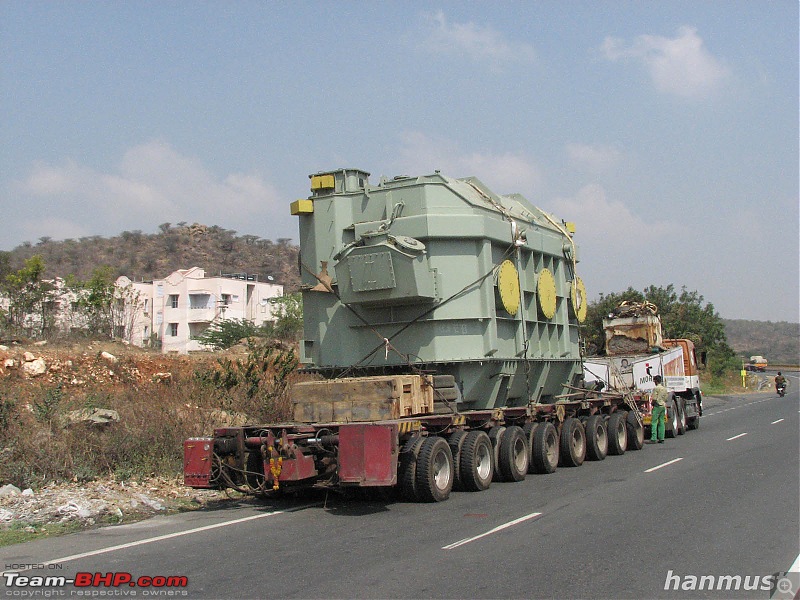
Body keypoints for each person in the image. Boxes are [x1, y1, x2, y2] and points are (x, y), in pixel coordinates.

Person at [648, 375, 669, 444]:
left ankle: (654, 438)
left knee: (654, 422)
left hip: (657, 406)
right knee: (661, 422)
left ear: (656, 381)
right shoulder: (664, 389)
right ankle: (661, 438)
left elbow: (654, 398)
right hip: (663, 406)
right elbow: (666, 398)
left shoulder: (656, 388)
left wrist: (652, 403)